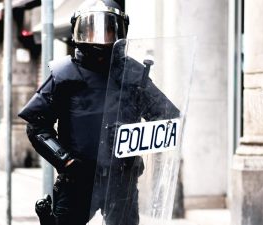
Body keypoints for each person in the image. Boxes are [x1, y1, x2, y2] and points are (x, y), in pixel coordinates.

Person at [18, 1, 180, 225]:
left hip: (121, 179)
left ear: (120, 31)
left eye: (108, 29)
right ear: (79, 31)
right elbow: (36, 124)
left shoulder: (133, 74)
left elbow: (165, 117)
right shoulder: (64, 74)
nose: (101, 37)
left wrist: (134, 137)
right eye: (92, 29)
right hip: (77, 179)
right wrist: (65, 161)